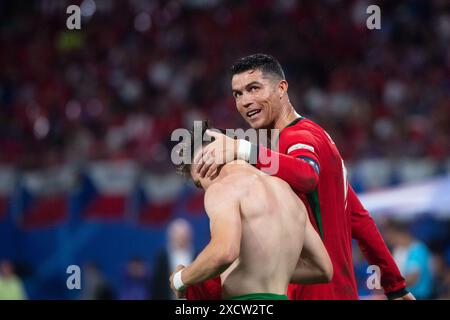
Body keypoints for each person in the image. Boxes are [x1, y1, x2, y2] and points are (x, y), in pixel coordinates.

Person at [194, 53, 414, 300]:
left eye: (254, 88)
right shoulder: (316, 138)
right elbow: (360, 221)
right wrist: (396, 287)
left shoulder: (296, 137)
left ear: (281, 88)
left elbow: (307, 174)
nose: (245, 101)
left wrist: (243, 149)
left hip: (314, 292)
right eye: (238, 94)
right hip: (339, 291)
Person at [170, 125, 333, 300]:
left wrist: (181, 279)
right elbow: (323, 269)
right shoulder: (288, 192)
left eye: (199, 183)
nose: (204, 188)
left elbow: (224, 252)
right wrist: (269, 267)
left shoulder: (222, 187)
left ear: (208, 164)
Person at [382, 219, 433, 299]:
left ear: (399, 233)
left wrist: (388, 286)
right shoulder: (398, 250)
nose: (388, 239)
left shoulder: (417, 250)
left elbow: (412, 278)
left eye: (390, 236)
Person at [152, 218, 195, 299]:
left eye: (184, 235)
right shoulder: (162, 258)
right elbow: (157, 285)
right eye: (178, 235)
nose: (181, 238)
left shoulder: (196, 255)